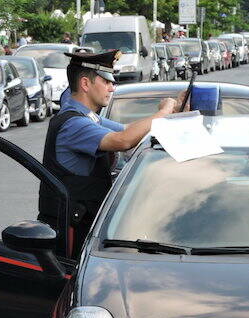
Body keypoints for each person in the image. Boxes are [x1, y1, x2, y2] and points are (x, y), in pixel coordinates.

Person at [38, 49, 181, 255]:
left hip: (84, 226)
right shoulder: (74, 124)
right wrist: (164, 112)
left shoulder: (87, 117)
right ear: (86, 84)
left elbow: (129, 130)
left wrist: (174, 111)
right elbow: (123, 140)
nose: (112, 88)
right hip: (71, 234)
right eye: (106, 82)